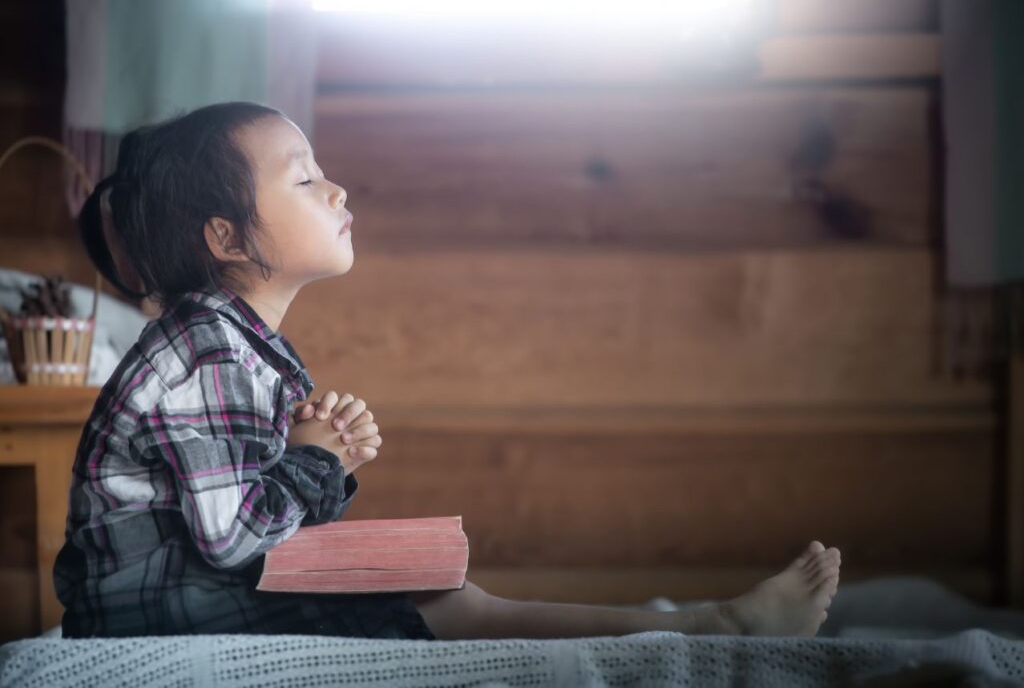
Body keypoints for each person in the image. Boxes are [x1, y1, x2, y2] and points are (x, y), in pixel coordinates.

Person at [54, 101, 841, 640]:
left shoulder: (233, 343)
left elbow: (248, 522)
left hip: (187, 589)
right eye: (302, 177)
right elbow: (231, 542)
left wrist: (318, 458)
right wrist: (313, 459)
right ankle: (714, 627)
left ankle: (709, 622)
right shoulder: (208, 351)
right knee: (449, 604)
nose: (336, 187)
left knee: (440, 589)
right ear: (226, 238)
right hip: (156, 610)